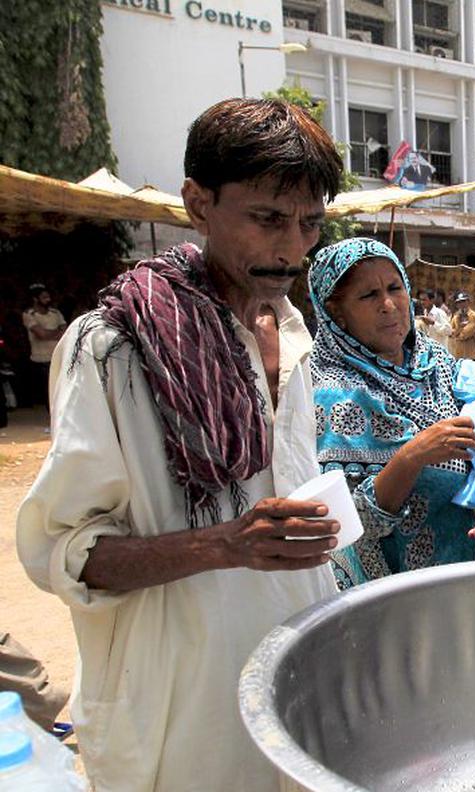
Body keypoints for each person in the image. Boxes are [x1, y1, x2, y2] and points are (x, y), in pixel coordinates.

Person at [16, 98, 344, 791]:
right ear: (198, 203)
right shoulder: (112, 348)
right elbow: (67, 556)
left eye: (309, 224)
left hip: (292, 675)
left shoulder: (292, 334)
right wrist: (224, 545)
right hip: (177, 705)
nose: (291, 248)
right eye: (267, 219)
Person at [309, 238, 475, 588]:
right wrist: (411, 456)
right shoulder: (335, 394)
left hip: (470, 579)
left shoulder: (437, 363)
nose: (388, 305)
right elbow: (343, 528)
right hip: (398, 602)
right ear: (336, 311)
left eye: (394, 288)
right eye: (368, 296)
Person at [20, 284, 64, 417]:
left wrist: (48, 333)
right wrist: (56, 332)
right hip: (41, 359)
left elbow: (65, 331)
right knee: (49, 393)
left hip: (57, 356)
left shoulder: (55, 313)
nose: (48, 299)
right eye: (44, 297)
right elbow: (41, 335)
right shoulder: (29, 314)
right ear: (35, 299)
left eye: (48, 296)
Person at [448, 291, 475, 361]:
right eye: (459, 302)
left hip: (471, 354)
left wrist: (457, 331)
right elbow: (450, 333)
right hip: (459, 354)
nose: (461, 304)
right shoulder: (456, 317)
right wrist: (459, 328)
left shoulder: (474, 316)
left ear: (468, 302)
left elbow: (464, 335)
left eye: (463, 301)